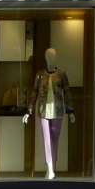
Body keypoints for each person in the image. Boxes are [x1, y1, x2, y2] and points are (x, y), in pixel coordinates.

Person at [23, 48, 75, 179]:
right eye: (48, 56)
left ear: (55, 57)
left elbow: (67, 92)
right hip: (42, 111)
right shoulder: (40, 74)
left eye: (53, 56)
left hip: (58, 111)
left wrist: (70, 110)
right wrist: (29, 111)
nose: (51, 58)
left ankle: (52, 167)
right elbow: (34, 92)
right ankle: (50, 169)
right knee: (46, 139)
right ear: (45, 57)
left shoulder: (61, 74)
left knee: (54, 139)